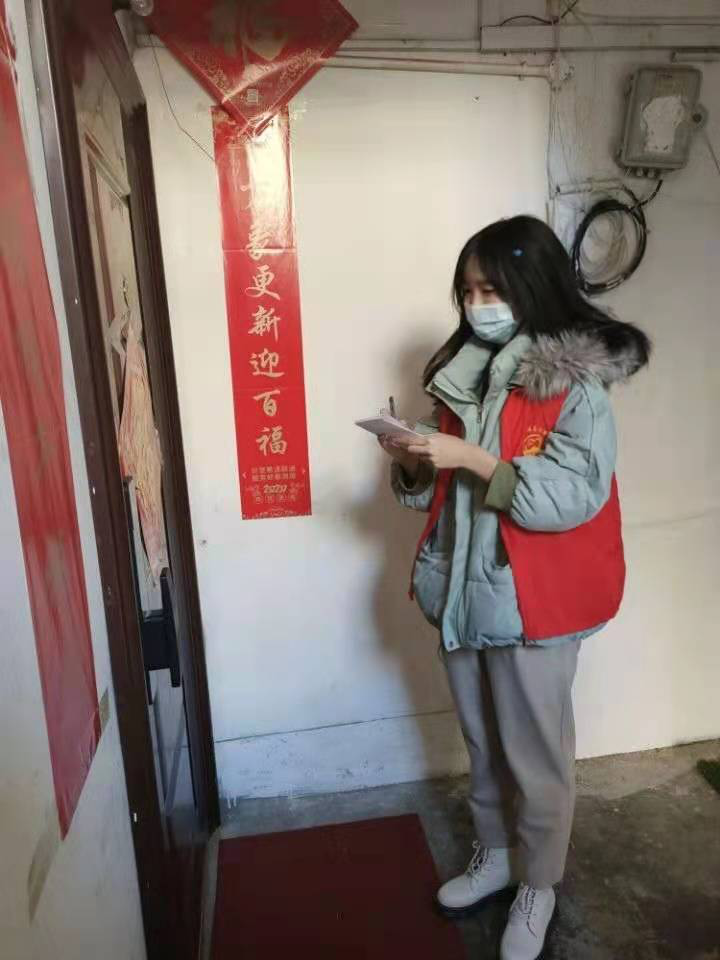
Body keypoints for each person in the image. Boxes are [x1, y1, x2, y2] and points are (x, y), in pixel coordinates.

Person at [379, 215, 649, 960]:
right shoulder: (463, 375)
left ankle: (539, 882)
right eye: (467, 291)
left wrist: (471, 457)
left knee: (536, 755)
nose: (477, 306)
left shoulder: (576, 387)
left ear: (533, 288)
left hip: (532, 603)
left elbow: (568, 496)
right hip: (464, 595)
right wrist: (413, 462)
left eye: (491, 290)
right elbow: (440, 496)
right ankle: (496, 855)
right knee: (484, 742)